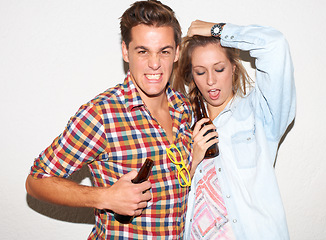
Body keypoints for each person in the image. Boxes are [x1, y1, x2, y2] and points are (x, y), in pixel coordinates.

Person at [25, 1, 193, 239]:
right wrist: (105, 197)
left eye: (164, 51)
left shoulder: (183, 108)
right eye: (142, 51)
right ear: (126, 51)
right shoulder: (102, 114)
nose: (154, 64)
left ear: (176, 52)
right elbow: (36, 181)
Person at [173, 20, 296, 239]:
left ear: (233, 67)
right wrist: (193, 158)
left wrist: (217, 30)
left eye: (219, 69)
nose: (211, 80)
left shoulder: (260, 113)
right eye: (200, 72)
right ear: (192, 76)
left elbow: (275, 45)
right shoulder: (181, 126)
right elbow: (167, 196)